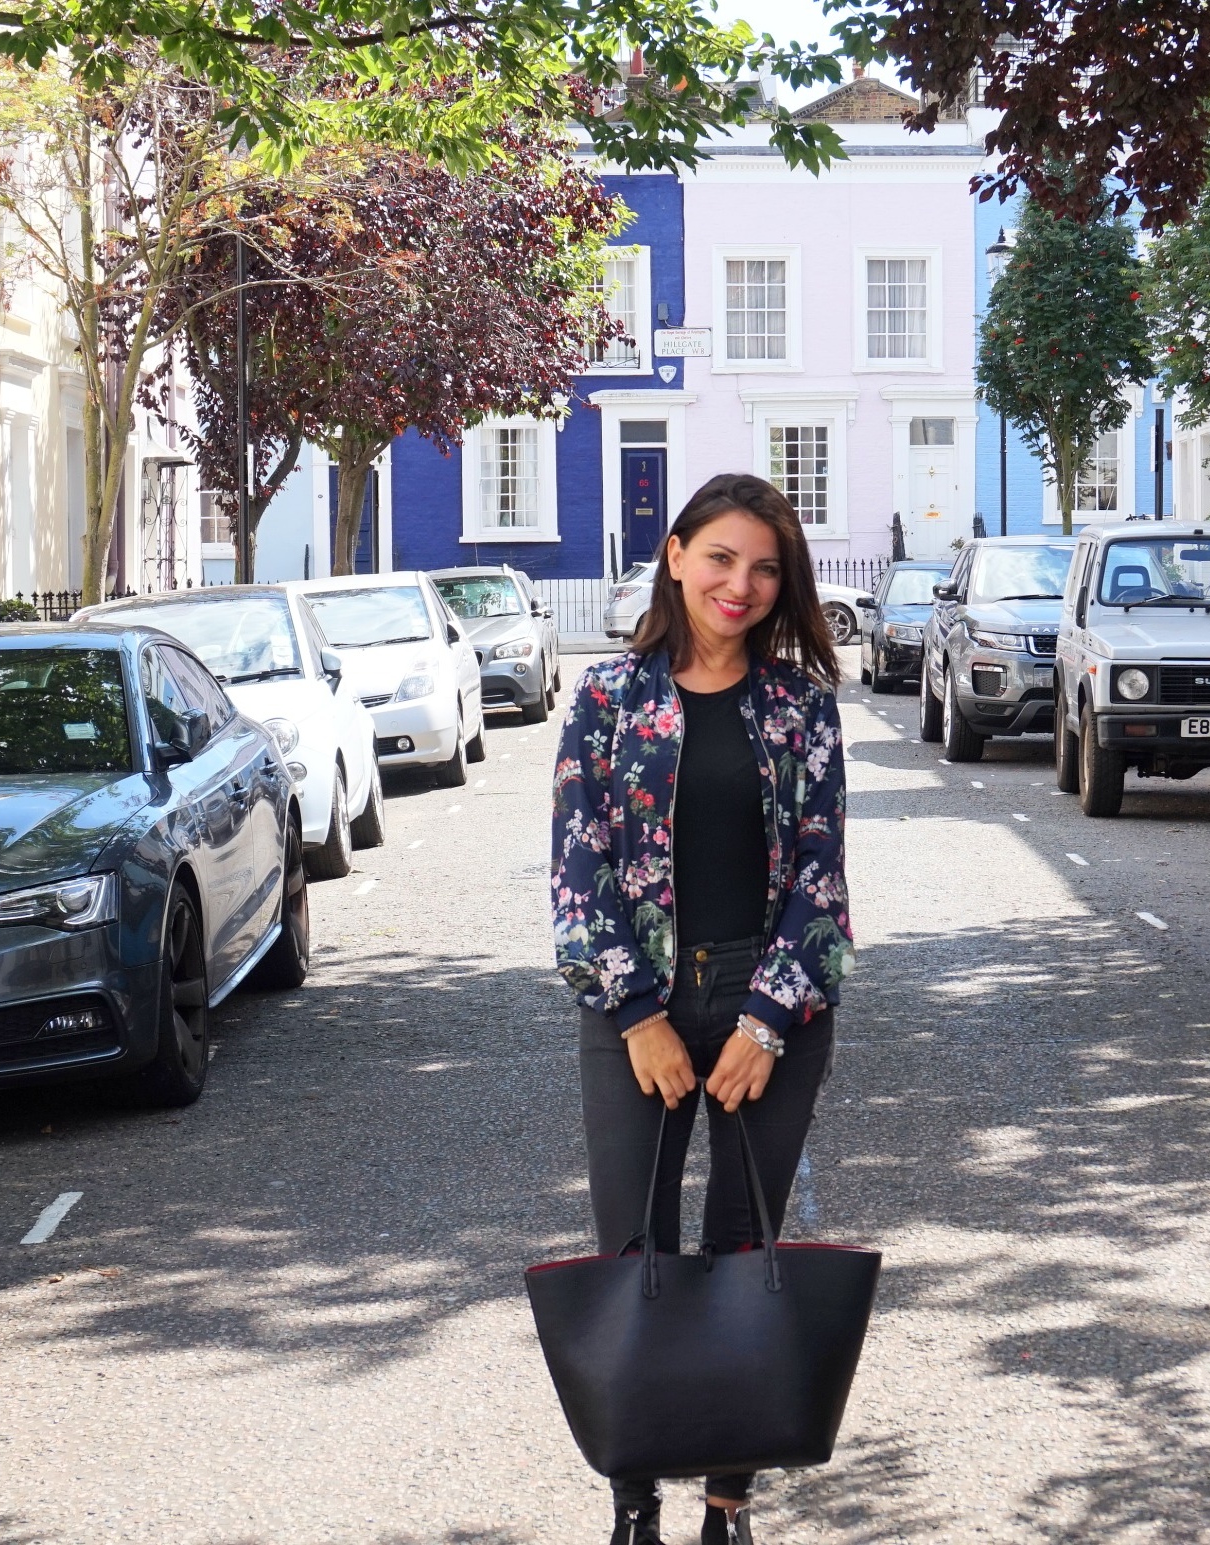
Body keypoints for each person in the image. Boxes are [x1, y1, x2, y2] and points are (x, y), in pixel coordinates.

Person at [551, 473, 855, 1545]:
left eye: (766, 568)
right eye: (721, 557)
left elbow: (820, 876)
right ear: (675, 555)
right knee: (633, 1247)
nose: (742, 584)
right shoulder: (605, 699)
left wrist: (766, 1021)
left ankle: (728, 1505)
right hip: (634, 1001)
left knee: (743, 1251)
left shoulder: (801, 706)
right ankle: (634, 1503)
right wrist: (637, 1014)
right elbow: (578, 870)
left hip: (769, 1003)